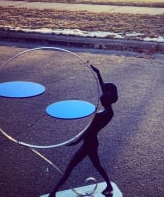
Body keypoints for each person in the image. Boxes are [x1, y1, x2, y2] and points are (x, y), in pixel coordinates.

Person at [49, 65, 118, 197]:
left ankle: (53, 193)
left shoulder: (100, 115)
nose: (101, 95)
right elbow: (103, 87)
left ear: (106, 98)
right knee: (97, 166)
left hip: (89, 143)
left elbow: (88, 130)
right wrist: (98, 73)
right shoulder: (109, 112)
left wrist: (75, 141)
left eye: (103, 94)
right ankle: (108, 185)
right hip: (92, 142)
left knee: (70, 167)